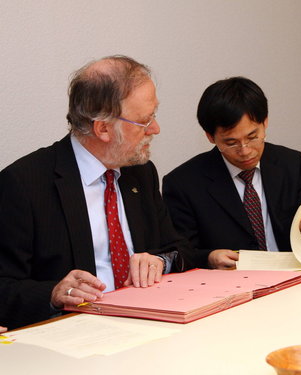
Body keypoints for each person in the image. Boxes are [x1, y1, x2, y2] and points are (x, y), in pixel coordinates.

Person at [0, 55, 194, 329]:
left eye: (154, 115)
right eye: (144, 120)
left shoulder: (140, 172)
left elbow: (179, 247)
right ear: (103, 128)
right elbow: (4, 287)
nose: (155, 129)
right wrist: (54, 293)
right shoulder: (24, 183)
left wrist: (159, 261)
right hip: (76, 335)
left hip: (151, 324)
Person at [162, 77, 301, 269]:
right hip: (231, 286)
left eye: (253, 137)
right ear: (210, 137)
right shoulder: (183, 183)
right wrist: (209, 257)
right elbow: (180, 253)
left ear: (265, 122)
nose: (245, 150)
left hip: (291, 277)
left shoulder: (289, 163)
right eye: (231, 143)